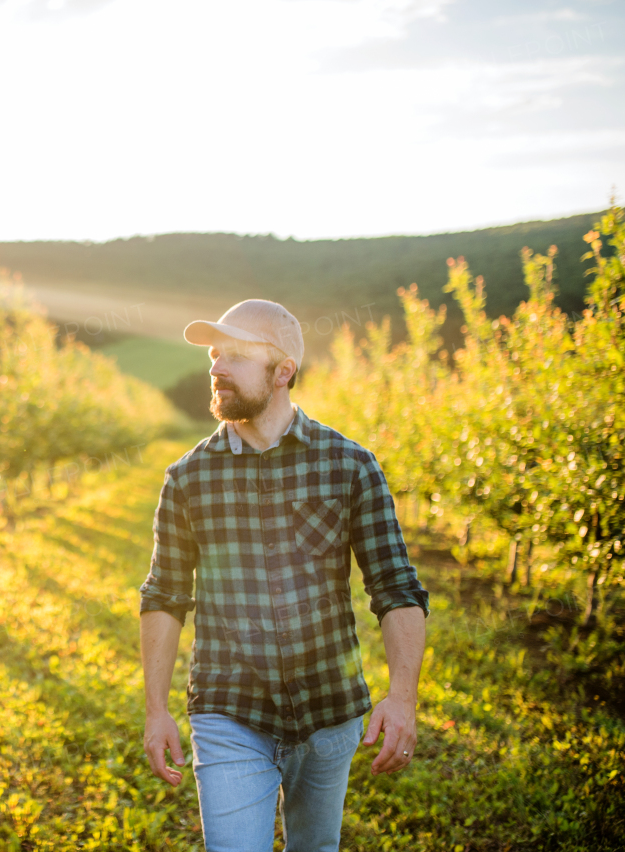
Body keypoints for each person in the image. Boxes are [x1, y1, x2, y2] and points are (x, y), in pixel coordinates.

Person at [138, 299, 429, 852]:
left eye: (236, 355)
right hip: (229, 710)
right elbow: (164, 597)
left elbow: (395, 587)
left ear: (283, 371)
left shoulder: (350, 466)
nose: (216, 367)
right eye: (214, 354)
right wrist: (157, 711)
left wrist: (403, 697)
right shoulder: (187, 478)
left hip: (329, 712)